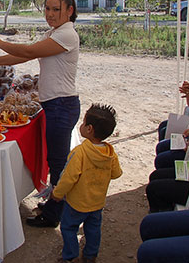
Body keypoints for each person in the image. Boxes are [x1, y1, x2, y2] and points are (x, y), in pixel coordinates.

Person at [0, 0, 81, 228]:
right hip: (55, 105)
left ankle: (54, 214)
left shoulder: (67, 34)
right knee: (56, 161)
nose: (50, 14)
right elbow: (23, 58)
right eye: (47, 8)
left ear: (70, 10)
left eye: (56, 9)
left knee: (58, 164)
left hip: (61, 105)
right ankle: (55, 205)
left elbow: (27, 52)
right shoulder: (55, 33)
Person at [52, 104, 122, 263]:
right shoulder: (110, 153)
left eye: (83, 123)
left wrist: (57, 194)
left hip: (76, 203)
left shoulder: (79, 153)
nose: (81, 126)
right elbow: (116, 174)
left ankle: (70, 257)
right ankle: (90, 255)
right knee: (93, 229)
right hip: (97, 203)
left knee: (69, 228)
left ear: (89, 129)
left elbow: (68, 179)